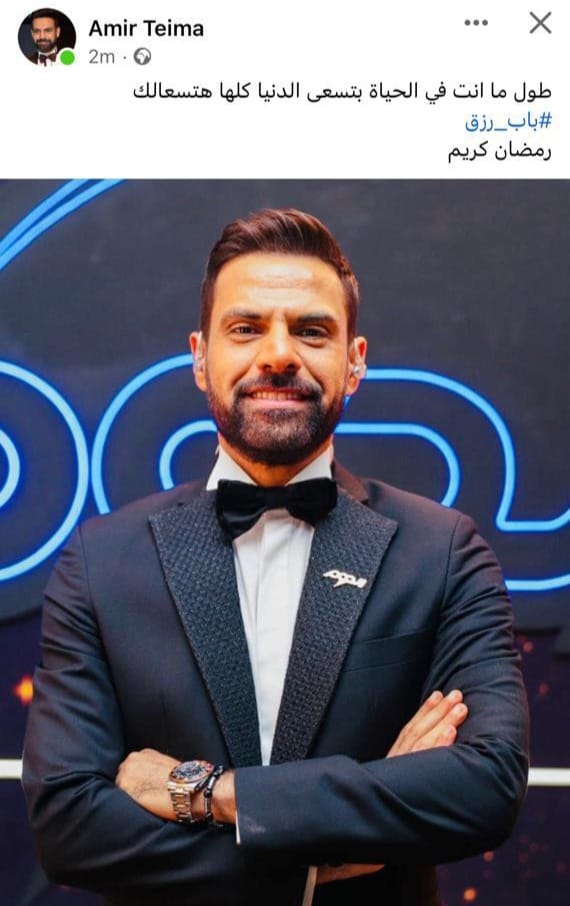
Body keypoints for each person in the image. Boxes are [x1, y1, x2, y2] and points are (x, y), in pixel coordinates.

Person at [22, 209, 529, 906]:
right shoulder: (100, 561)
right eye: (246, 328)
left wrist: (212, 794)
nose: (279, 354)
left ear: (355, 361)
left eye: (312, 331)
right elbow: (68, 824)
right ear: (201, 358)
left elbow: (484, 785)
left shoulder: (443, 551)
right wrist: (314, 862)